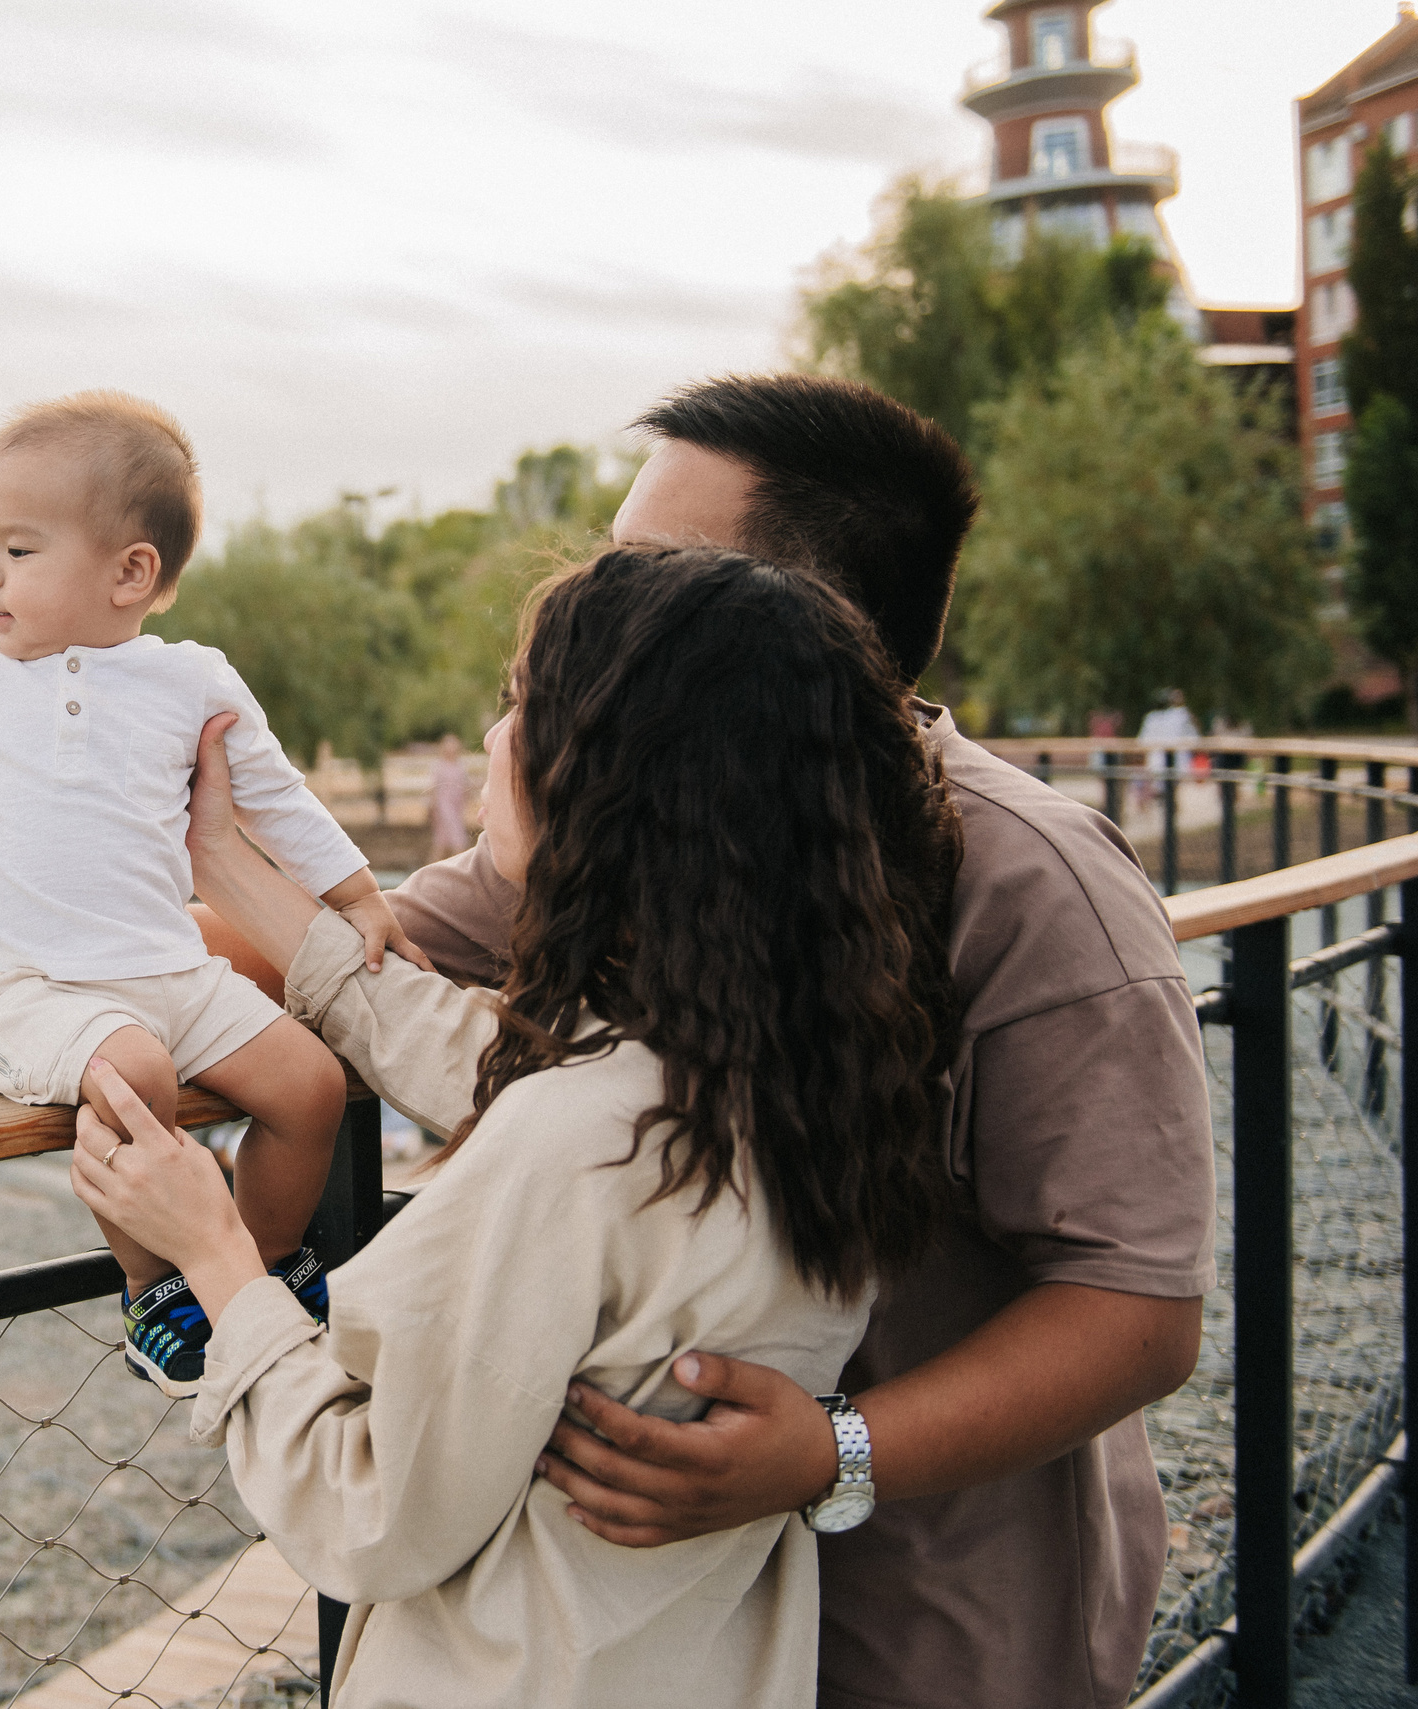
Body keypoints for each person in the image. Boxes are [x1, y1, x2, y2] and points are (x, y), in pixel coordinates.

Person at [194, 374, 1214, 1709]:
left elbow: (1137, 1308)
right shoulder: (631, 837)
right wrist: (44, 901)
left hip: (937, 1612)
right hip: (662, 1631)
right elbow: (356, 960)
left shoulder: (1036, 886)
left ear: (786, 620)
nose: (605, 598)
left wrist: (830, 1452)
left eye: (644, 570)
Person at [73, 545, 963, 1707]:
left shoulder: (573, 1141)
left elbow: (370, 1507)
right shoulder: (806, 1074)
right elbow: (492, 1058)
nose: (492, 739)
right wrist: (225, 858)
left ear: (607, 782)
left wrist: (214, 1258)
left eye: (517, 707)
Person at [0, 389, 427, 1397]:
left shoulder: (192, 684)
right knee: (134, 1072)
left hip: (170, 962)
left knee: (309, 1086)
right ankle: (149, 1290)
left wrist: (355, 890)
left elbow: (273, 796)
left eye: (19, 550)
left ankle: (247, 1272)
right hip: (28, 985)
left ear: (132, 571)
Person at [1138, 689, 1199, 807]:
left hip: (1158, 762)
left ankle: (1164, 800)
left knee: (1163, 781)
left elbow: (1142, 741)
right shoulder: (1182, 715)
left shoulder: (1151, 718)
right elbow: (1195, 739)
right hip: (1176, 762)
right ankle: (1167, 801)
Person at [425, 732, 473, 862]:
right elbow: (434, 788)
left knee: (442, 843)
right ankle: (457, 870)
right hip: (444, 806)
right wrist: (431, 807)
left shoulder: (460, 765)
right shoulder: (439, 766)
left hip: (457, 806)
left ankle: (432, 873)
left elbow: (465, 786)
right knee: (459, 840)